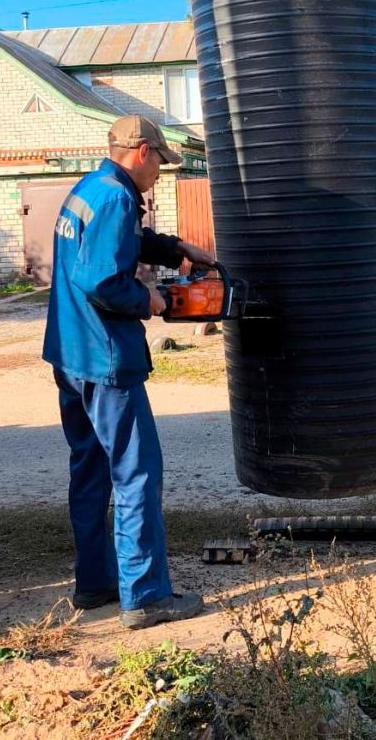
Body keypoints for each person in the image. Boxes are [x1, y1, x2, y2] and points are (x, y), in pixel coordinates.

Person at [43, 114, 216, 628]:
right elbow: (101, 278)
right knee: (137, 474)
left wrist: (176, 248)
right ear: (141, 152)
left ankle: (94, 584)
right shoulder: (118, 196)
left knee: (90, 472)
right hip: (106, 361)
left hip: (70, 354)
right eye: (160, 162)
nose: (160, 172)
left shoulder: (91, 188)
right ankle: (144, 596)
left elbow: (120, 241)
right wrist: (153, 300)